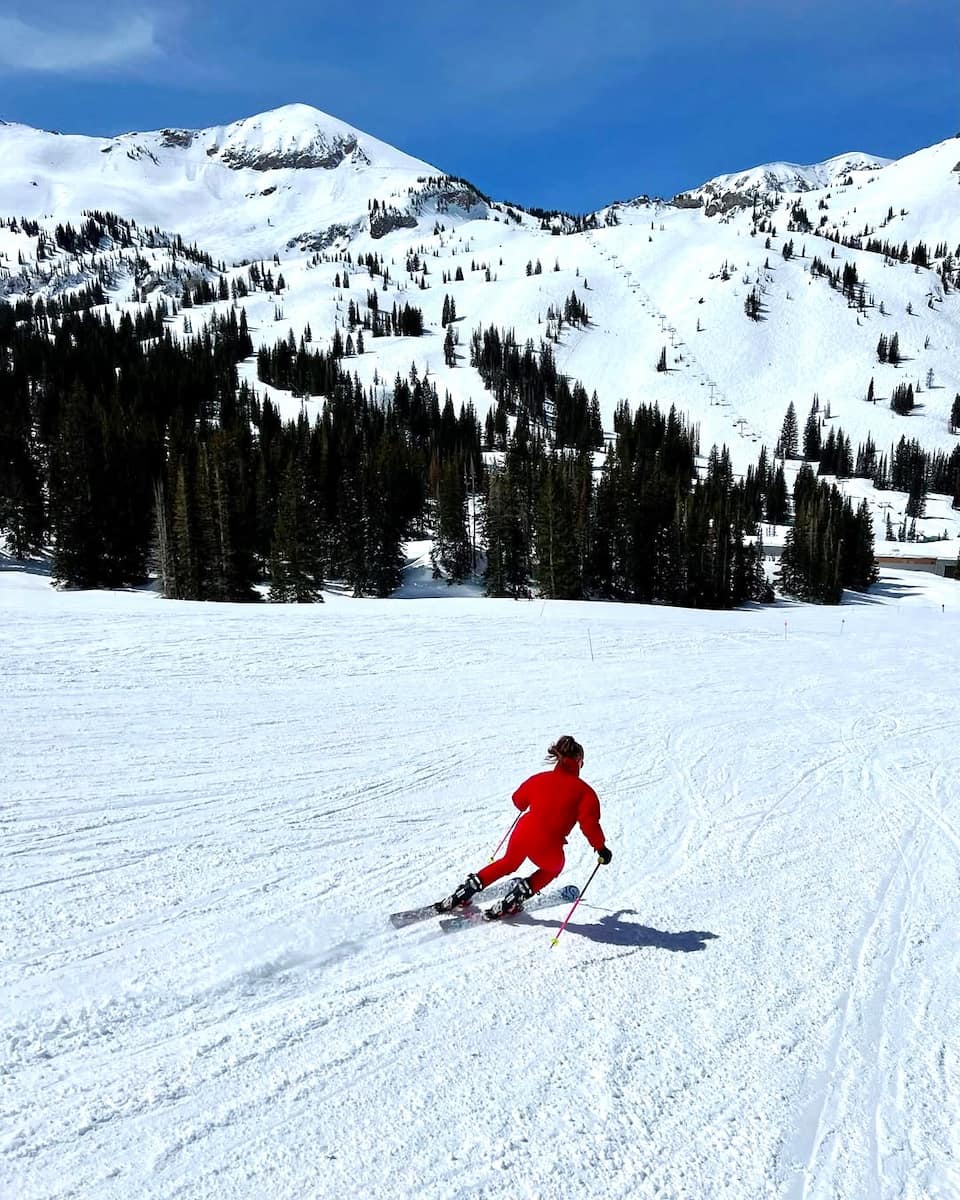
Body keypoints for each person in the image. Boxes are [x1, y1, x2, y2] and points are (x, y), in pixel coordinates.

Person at [437, 735, 612, 918]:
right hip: (548, 843)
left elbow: (518, 800)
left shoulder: (539, 778)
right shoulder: (586, 792)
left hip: (523, 831)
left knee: (509, 862)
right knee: (553, 868)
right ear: (578, 762)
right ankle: (514, 899)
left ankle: (465, 891)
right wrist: (601, 848)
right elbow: (590, 825)